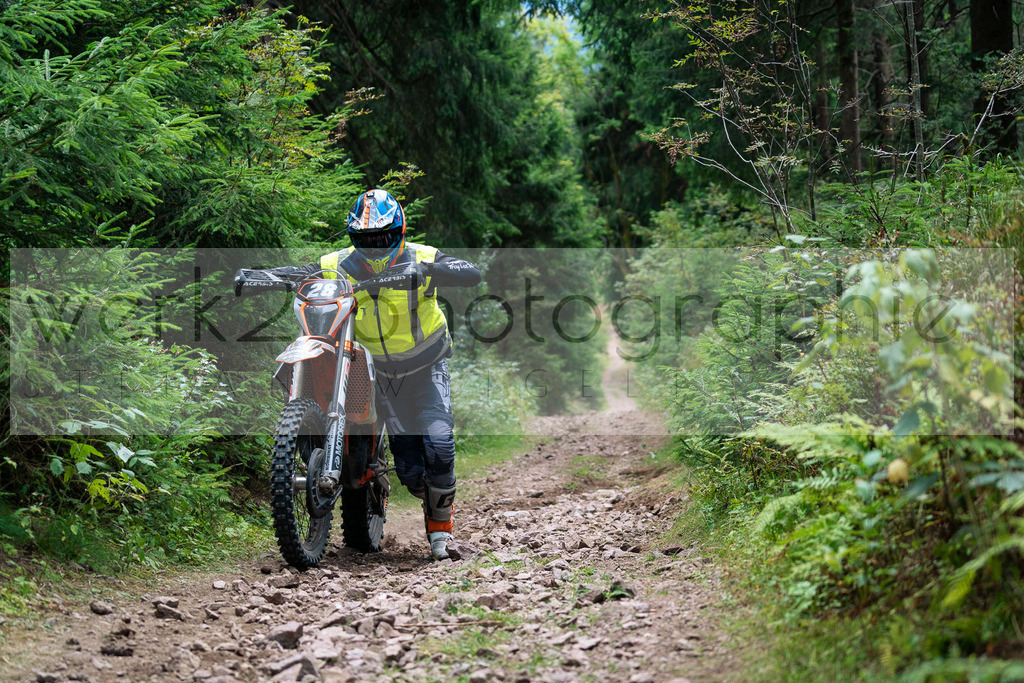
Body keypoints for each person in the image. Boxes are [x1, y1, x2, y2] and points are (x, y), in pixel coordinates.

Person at [275, 189, 480, 560]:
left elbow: (471, 272)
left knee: (438, 445)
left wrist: (430, 270)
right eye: (364, 240)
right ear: (353, 238)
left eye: (382, 238)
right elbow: (304, 274)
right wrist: (272, 274)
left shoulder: (420, 256)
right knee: (411, 472)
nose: (373, 247)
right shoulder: (336, 263)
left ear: (399, 232)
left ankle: (441, 534)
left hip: (423, 367)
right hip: (369, 369)